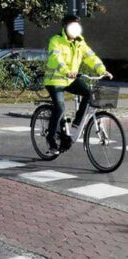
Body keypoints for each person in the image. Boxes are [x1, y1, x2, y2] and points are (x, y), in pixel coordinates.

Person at [44, 14, 113, 154]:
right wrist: (67, 71)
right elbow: (56, 59)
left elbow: (91, 57)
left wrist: (103, 70)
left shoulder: (80, 42)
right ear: (65, 27)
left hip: (70, 80)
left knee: (88, 93)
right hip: (55, 80)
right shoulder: (56, 41)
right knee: (60, 108)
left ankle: (77, 122)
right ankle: (51, 140)